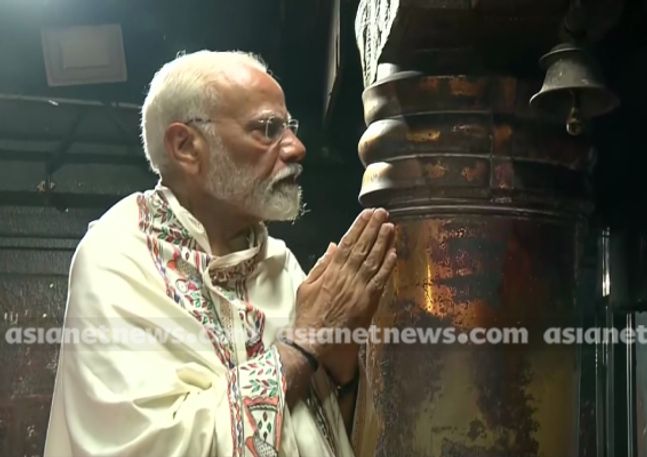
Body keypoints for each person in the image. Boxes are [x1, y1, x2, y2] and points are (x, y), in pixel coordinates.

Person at [43, 50, 397, 457]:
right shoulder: (118, 258)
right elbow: (147, 446)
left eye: (291, 127)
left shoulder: (279, 264)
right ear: (186, 146)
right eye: (268, 129)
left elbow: (325, 430)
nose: (297, 147)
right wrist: (304, 343)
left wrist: (341, 366)